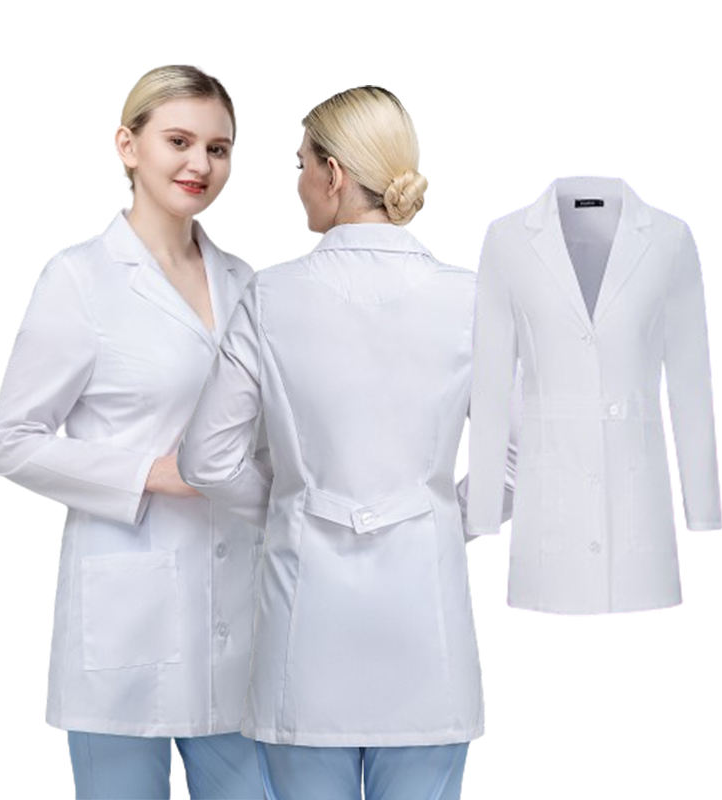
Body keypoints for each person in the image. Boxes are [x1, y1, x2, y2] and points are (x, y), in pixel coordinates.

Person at [178, 85, 517, 800]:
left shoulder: (271, 297)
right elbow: (517, 460)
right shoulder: (473, 298)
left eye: (301, 163)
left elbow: (206, 458)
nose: (299, 180)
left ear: (333, 174)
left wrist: (292, 507)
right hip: (427, 641)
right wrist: (438, 520)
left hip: (306, 641)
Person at [0, 65, 265, 799]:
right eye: (179, 141)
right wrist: (151, 473)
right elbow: (12, 440)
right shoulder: (80, 279)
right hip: (126, 616)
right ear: (128, 145)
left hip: (240, 620)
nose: (200, 164)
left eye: (218, 148)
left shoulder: (247, 283)